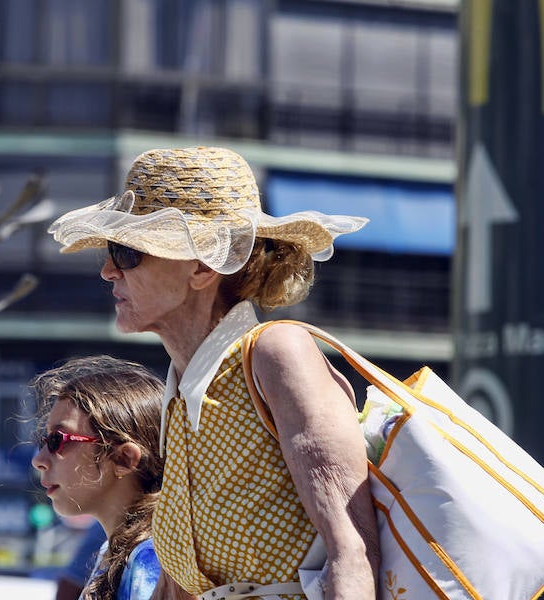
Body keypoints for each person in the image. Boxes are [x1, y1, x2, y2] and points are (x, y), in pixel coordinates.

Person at [46, 146, 380, 600]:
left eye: (126, 252)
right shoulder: (178, 393)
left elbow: (353, 553)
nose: (108, 271)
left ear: (203, 265)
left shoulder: (274, 352)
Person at [31, 355, 165, 600]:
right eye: (44, 440)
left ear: (124, 459)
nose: (38, 459)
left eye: (57, 440)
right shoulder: (117, 551)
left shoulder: (150, 559)